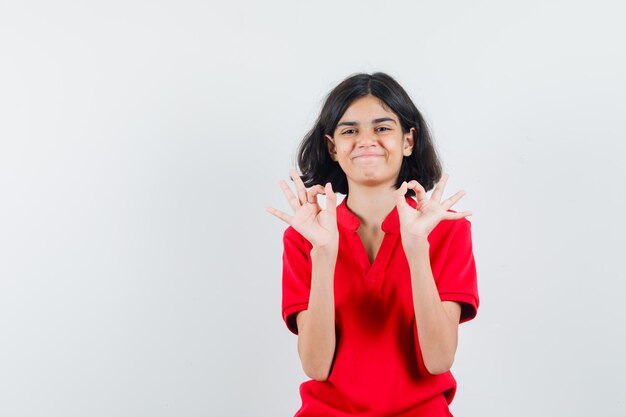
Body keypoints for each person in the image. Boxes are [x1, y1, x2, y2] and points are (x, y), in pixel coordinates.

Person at [266, 72, 479, 417]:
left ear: (408, 141)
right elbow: (316, 366)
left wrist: (416, 249)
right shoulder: (304, 236)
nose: (366, 140)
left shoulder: (447, 231)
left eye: (382, 128)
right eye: (350, 131)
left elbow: (439, 359)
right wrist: (323, 254)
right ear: (333, 148)